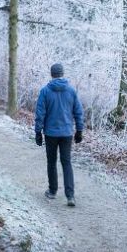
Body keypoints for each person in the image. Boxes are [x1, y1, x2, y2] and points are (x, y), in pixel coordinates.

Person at [34, 63, 84, 207]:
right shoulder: (71, 91)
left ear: (52, 74)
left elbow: (40, 113)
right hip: (67, 133)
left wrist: (38, 131)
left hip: (51, 133)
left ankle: (53, 191)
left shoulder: (45, 91)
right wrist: (79, 130)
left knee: (51, 162)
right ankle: (70, 196)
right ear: (62, 74)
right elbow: (78, 112)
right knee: (66, 162)